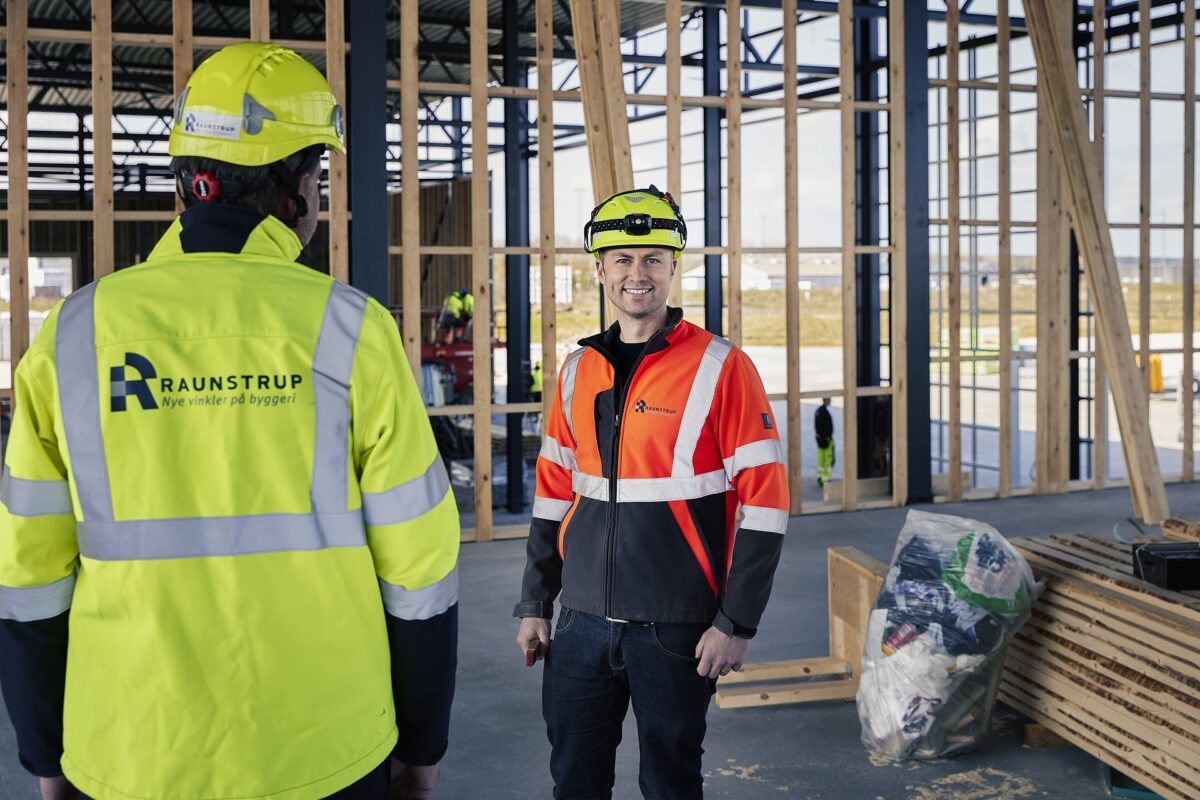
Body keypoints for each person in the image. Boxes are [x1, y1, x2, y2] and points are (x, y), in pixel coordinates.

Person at [0, 42, 459, 800]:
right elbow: (421, 570)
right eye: (317, 174)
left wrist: (49, 754)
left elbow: (29, 574)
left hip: (128, 751)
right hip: (326, 752)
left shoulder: (74, 334)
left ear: (190, 180)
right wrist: (422, 743)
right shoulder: (352, 330)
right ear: (296, 185)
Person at [514, 186, 790, 799]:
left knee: (670, 784)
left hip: (677, 630)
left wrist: (736, 622)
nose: (636, 274)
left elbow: (766, 505)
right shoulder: (575, 372)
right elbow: (553, 494)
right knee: (574, 781)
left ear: (673, 267)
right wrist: (536, 601)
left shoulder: (722, 367)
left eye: (652, 259)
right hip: (581, 624)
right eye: (622, 260)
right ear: (600, 270)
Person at [816, 397, 835, 486]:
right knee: (828, 460)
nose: (831, 401)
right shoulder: (823, 412)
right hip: (825, 440)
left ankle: (820, 477)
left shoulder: (819, 411)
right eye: (829, 399)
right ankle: (825, 480)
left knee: (821, 460)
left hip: (820, 439)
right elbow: (824, 427)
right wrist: (827, 437)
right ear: (826, 400)